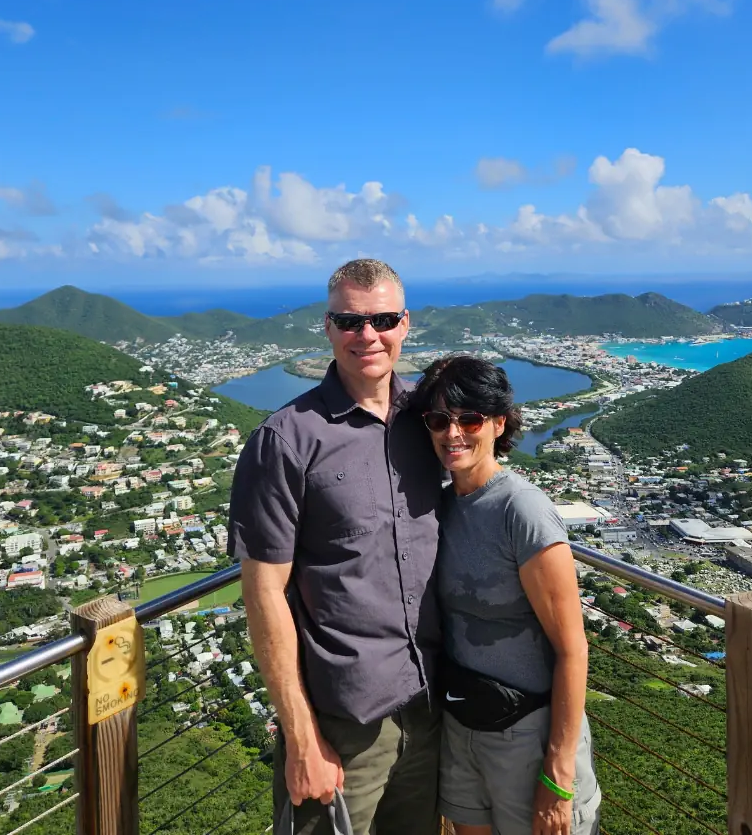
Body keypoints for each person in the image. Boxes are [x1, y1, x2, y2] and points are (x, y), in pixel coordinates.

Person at [229, 259, 444, 834]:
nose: (367, 335)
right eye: (350, 322)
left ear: (406, 324)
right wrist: (300, 737)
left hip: (435, 704)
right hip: (343, 724)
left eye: (382, 319)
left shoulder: (432, 420)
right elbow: (264, 594)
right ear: (327, 327)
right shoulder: (286, 439)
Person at [415, 356, 601, 834]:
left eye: (469, 419)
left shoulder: (524, 511)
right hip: (462, 723)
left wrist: (558, 774)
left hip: (528, 732)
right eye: (439, 420)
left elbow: (573, 648)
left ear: (499, 423)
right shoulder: (439, 506)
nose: (453, 433)